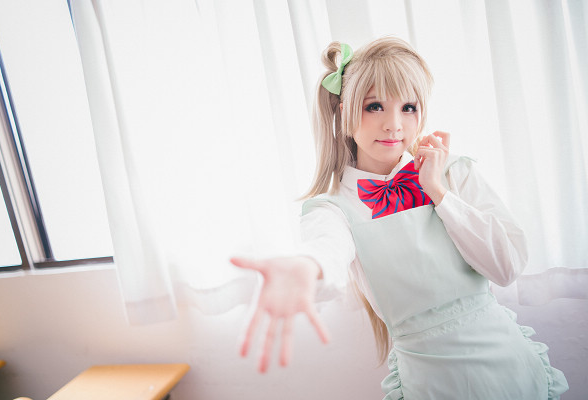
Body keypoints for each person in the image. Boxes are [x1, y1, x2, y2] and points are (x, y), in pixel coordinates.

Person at [231, 37, 569, 399]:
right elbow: (327, 246)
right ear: (345, 112)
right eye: (374, 106)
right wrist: (306, 266)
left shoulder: (453, 172)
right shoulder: (333, 208)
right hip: (430, 384)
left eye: (408, 107)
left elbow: (507, 267)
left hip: (511, 369)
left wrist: (438, 193)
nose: (394, 125)